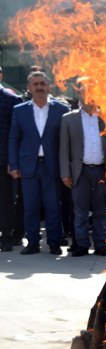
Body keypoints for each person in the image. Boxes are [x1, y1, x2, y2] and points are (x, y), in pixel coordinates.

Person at [8, 71, 69, 255]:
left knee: (52, 206)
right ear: (29, 88)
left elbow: (65, 141)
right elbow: (14, 138)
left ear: (49, 86)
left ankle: (54, 242)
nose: (39, 87)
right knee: (31, 207)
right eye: (35, 84)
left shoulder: (61, 109)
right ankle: (33, 242)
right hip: (29, 166)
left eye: (43, 83)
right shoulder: (20, 110)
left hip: (52, 166)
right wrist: (14, 164)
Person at [59, 80, 106, 257]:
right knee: (80, 211)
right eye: (83, 92)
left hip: (101, 171)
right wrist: (65, 173)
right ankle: (81, 244)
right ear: (79, 94)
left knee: (101, 210)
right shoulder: (69, 119)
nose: (87, 95)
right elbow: (64, 149)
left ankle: (101, 244)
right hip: (79, 171)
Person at [0, 80, 23, 252]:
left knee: (5, 201)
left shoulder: (12, 100)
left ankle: (6, 237)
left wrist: (12, 161)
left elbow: (15, 135)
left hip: (3, 160)